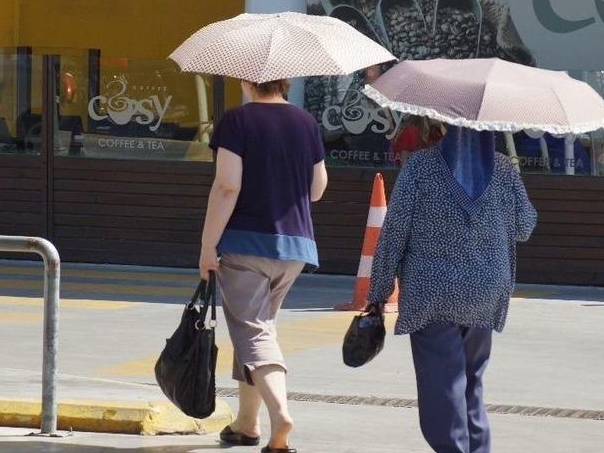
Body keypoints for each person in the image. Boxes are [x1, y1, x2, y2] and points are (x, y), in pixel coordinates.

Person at [367, 126, 537, 453]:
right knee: (471, 384)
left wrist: (378, 293)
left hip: (433, 293)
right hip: (486, 292)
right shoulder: (502, 169)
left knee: (443, 384)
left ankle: (453, 448)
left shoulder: (420, 168)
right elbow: (524, 227)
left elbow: (393, 235)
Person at [199, 77, 328, 453]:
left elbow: (227, 186)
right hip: (295, 247)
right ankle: (247, 423)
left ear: (246, 80)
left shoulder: (236, 121)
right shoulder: (306, 122)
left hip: (245, 245)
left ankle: (280, 414)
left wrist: (208, 246)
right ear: (284, 82)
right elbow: (317, 189)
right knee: (256, 329)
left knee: (253, 332)